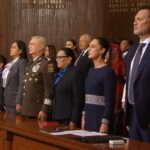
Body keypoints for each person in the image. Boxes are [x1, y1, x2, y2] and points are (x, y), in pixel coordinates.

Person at [125, 6, 150, 142]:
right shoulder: (133, 50)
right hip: (133, 116)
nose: (135, 23)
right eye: (134, 20)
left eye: (139, 19)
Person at [82, 37, 116, 133]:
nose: (89, 49)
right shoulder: (91, 70)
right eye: (89, 46)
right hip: (88, 116)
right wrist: (84, 115)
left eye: (93, 47)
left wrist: (105, 122)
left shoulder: (108, 72)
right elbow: (87, 96)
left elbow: (110, 101)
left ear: (102, 50)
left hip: (100, 118)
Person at [21, 36, 54, 121]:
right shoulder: (30, 62)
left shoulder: (48, 63)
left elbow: (49, 90)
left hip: (38, 110)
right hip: (27, 108)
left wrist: (45, 109)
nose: (29, 46)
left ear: (41, 47)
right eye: (29, 44)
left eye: (32, 44)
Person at [53, 48, 84, 129]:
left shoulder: (75, 73)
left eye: (60, 57)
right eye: (57, 57)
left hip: (68, 118)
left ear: (69, 59)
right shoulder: (60, 73)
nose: (57, 60)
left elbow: (78, 99)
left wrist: (74, 120)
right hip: (57, 116)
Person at [2, 40, 28, 114]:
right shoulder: (10, 63)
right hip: (7, 100)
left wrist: (19, 101)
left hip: (15, 101)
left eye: (14, 47)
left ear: (20, 51)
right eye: (11, 47)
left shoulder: (22, 62)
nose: (11, 49)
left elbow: (22, 83)